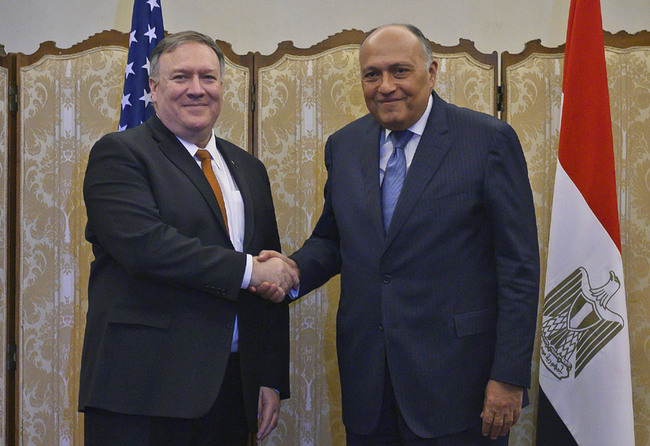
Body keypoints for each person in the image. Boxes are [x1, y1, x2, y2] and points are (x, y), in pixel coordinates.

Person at [254, 24, 540, 445]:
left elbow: (519, 268)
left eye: (400, 71)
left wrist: (509, 376)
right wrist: (291, 269)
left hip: (460, 385)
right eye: (372, 74)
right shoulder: (345, 145)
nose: (385, 86)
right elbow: (333, 240)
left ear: (432, 72)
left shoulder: (487, 141)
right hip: (369, 383)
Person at [78, 30, 297, 446]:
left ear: (222, 87)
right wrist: (252, 270)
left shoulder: (249, 168)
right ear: (154, 88)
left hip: (232, 388)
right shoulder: (120, 154)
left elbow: (268, 278)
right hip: (143, 392)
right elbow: (146, 247)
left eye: (208, 78)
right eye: (181, 78)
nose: (197, 89)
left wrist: (268, 377)